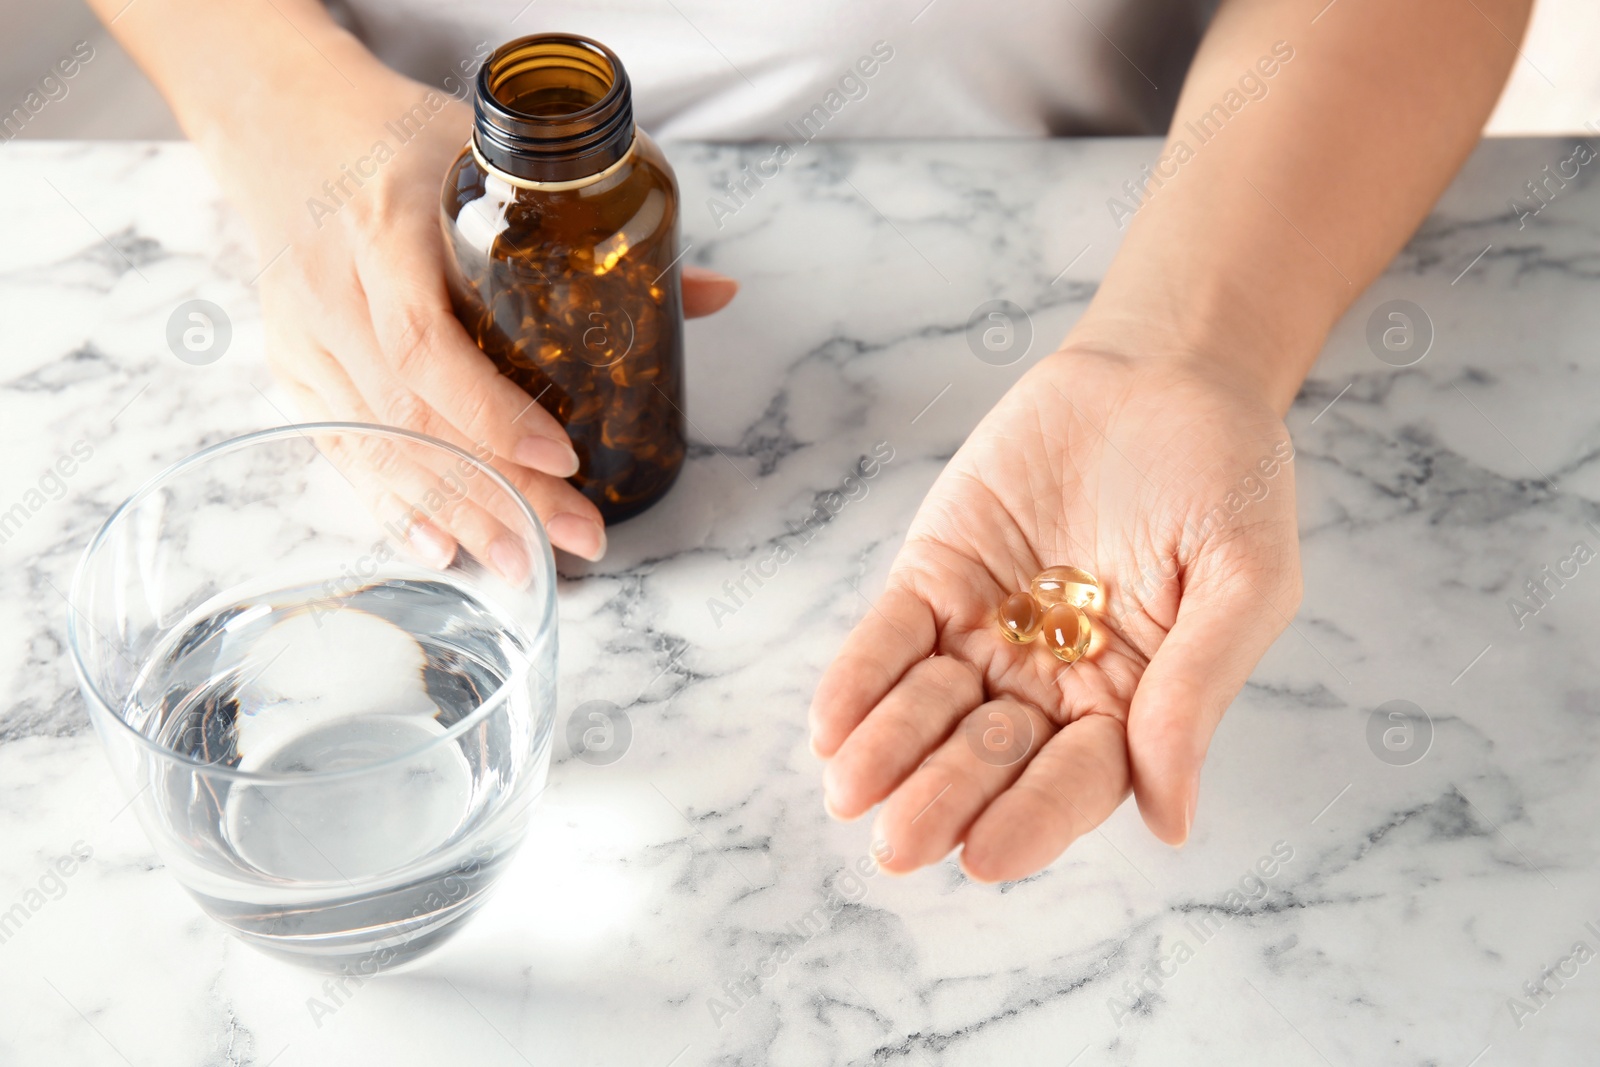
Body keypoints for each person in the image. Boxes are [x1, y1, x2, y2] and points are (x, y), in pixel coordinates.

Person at [92, 0, 1534, 883]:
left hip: (1125, 208)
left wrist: (1186, 347)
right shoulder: (520, 209)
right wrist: (285, 119)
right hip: (390, 179)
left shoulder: (629, 200)